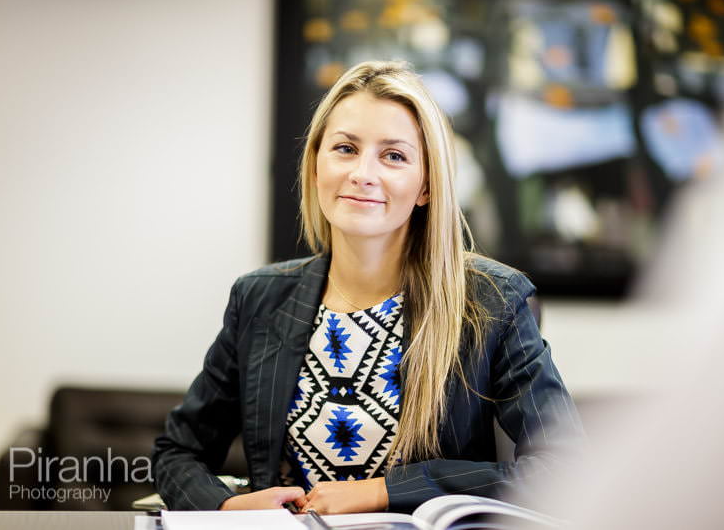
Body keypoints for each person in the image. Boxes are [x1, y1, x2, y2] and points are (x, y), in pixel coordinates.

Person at [151, 60, 584, 515]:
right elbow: (178, 453)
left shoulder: (492, 301)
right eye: (345, 148)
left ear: (426, 187)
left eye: (394, 156)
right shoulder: (258, 298)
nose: (363, 173)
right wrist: (224, 508)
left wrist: (387, 490)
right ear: (316, 164)